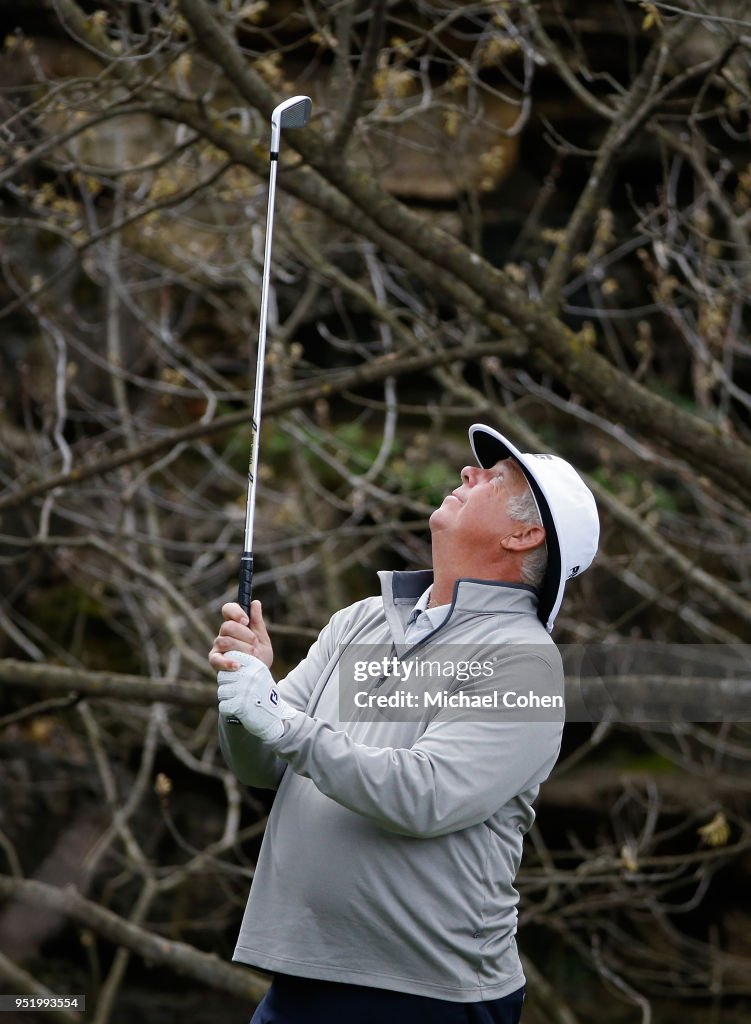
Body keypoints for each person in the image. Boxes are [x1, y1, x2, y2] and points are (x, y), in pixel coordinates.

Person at [209, 423, 599, 1024]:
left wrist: (278, 718)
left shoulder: (525, 663)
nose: (468, 472)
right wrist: (246, 700)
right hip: (302, 977)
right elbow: (262, 767)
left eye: (494, 477)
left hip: (427, 995)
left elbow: (425, 795)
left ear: (525, 535)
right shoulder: (360, 621)